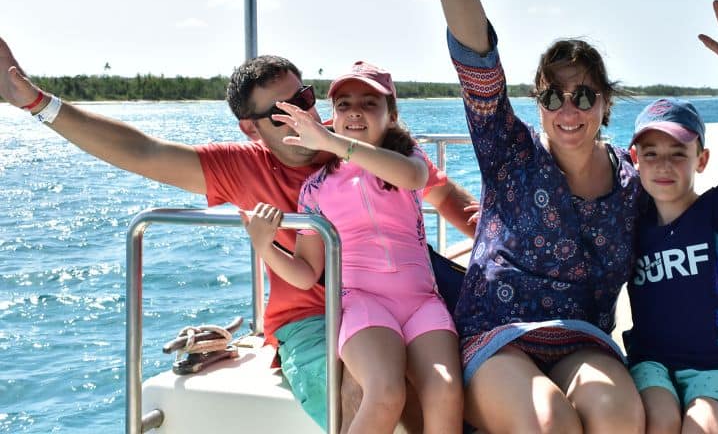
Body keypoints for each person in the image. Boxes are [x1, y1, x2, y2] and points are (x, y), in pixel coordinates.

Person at [418, 0, 718, 434]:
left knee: (620, 413)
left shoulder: (635, 182)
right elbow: (478, 60)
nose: (568, 108)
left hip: (583, 338)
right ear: (539, 105)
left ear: (605, 104)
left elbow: (692, 235)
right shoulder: (508, 152)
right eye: (553, 95)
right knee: (550, 419)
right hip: (499, 334)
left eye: (583, 94)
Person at [0, 41, 476, 432]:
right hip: (310, 317)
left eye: (305, 99)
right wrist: (37, 103)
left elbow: (435, 187)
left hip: (397, 294)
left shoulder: (354, 140)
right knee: (368, 396)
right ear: (250, 127)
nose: (299, 116)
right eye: (280, 111)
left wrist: (492, 238)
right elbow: (142, 151)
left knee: (453, 387)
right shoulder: (240, 166)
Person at [241, 61, 463, 434]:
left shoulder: (410, 158)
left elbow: (411, 178)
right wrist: (265, 246)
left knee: (446, 392)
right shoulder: (316, 188)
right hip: (364, 305)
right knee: (385, 392)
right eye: (343, 105)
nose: (354, 111)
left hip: (422, 303)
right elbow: (306, 272)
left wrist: (331, 142)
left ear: (391, 115)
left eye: (369, 103)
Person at [624, 0, 718, 434]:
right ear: (635, 160)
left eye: (678, 152)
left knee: (700, 425)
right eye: (651, 153)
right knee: (660, 419)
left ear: (701, 160)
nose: (664, 165)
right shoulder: (628, 220)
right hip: (650, 365)